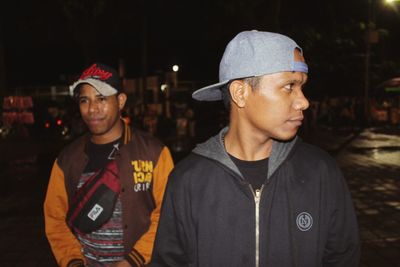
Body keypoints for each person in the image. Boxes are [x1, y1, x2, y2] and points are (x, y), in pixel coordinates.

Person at [150, 30, 360, 267]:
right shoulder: (187, 180)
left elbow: (343, 258)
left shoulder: (321, 172)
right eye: (289, 86)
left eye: (301, 87)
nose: (304, 101)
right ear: (241, 93)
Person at [44, 63, 174, 267]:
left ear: (120, 101)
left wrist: (133, 261)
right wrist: (73, 261)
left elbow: (168, 214)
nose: (92, 109)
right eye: (84, 100)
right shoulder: (67, 159)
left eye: (102, 98)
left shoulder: (154, 152)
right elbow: (55, 218)